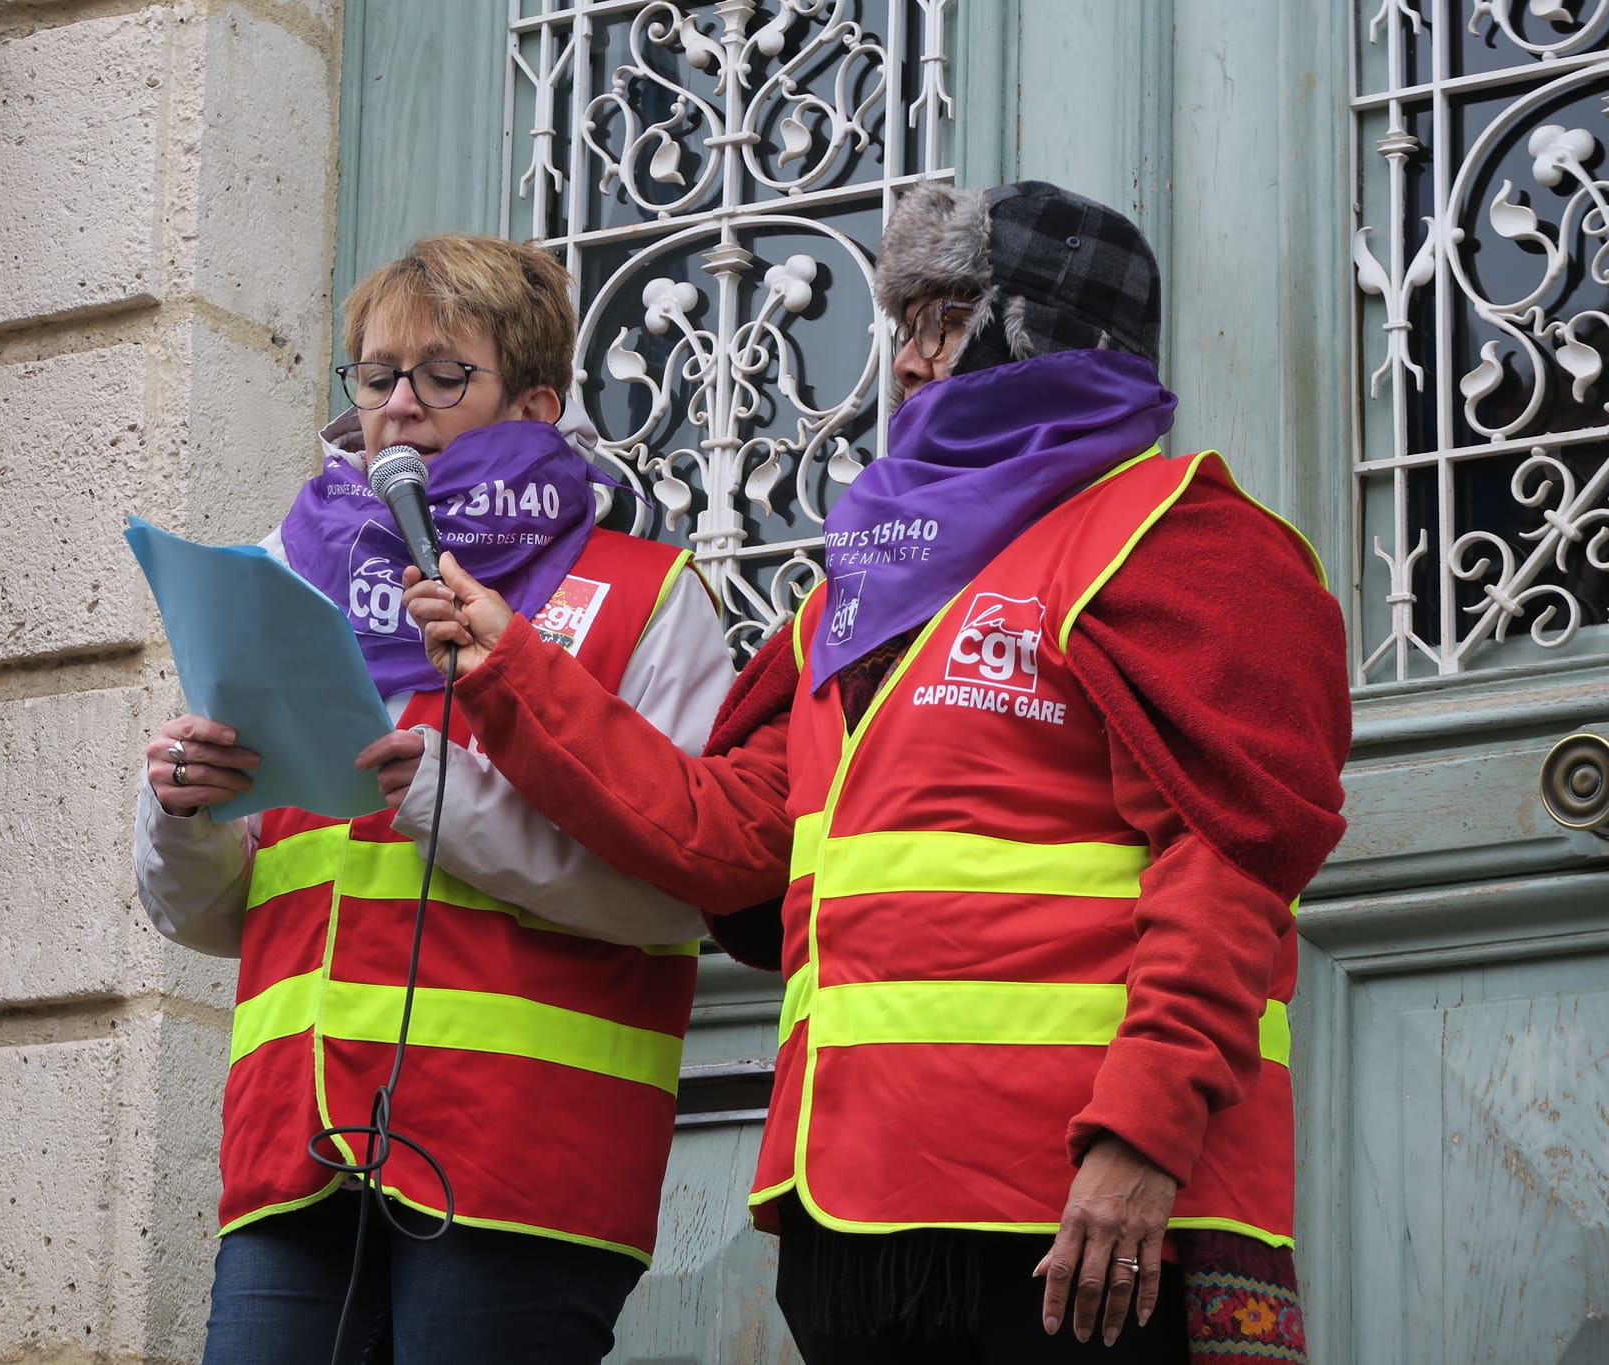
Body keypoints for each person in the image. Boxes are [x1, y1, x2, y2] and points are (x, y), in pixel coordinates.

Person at [401, 183, 1352, 1363]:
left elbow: (1229, 866)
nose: (904, 365)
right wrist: (513, 671)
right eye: (899, 325)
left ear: (1037, 329)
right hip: (849, 1216)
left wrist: (1141, 1137)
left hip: (1077, 1218)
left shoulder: (1183, 539)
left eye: (941, 322)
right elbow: (717, 834)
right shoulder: (854, 598)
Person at [133, 234, 736, 1365]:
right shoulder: (288, 572)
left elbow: (687, 893)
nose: (399, 405)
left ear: (536, 402)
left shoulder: (645, 597)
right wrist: (182, 812)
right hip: (293, 1152)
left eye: (442, 375)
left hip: (522, 1161)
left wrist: (449, 807)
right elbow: (211, 916)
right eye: (376, 376)